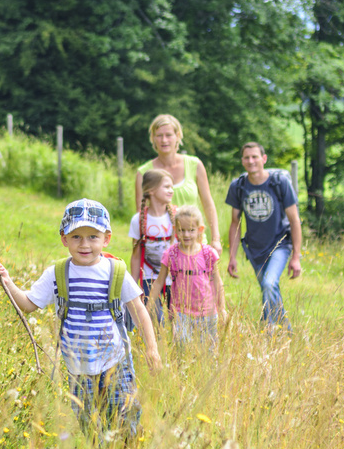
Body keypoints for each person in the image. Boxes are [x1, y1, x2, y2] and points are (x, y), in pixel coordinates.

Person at [0, 199, 161, 440]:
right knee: (89, 426)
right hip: (78, 368)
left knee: (125, 417)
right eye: (76, 237)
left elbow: (140, 312)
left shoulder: (115, 270)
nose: (85, 244)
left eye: (93, 236)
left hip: (115, 361)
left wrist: (152, 349)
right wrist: (6, 281)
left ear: (106, 238)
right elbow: (28, 304)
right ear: (64, 239)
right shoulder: (58, 273)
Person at [225, 142, 302, 330]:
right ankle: (284, 331)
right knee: (269, 289)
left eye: (255, 157)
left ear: (264, 159)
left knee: (269, 283)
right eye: (247, 157)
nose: (251, 161)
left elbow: (294, 220)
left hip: (280, 245)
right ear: (242, 161)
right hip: (255, 249)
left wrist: (296, 257)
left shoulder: (279, 183)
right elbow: (235, 223)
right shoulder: (239, 186)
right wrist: (232, 257)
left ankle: (269, 329)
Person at [135, 114, 222, 255]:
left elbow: (208, 204)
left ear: (177, 136)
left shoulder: (195, 165)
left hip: (196, 242)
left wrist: (216, 238)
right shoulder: (144, 172)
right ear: (153, 138)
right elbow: (141, 213)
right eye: (159, 135)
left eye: (169, 135)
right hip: (162, 246)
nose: (164, 140)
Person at [148, 205, 225, 347]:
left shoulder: (208, 254)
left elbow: (217, 282)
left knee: (208, 351)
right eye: (182, 230)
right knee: (182, 349)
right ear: (176, 230)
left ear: (199, 230)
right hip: (181, 312)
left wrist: (222, 308)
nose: (186, 235)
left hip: (207, 312)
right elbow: (159, 282)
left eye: (191, 230)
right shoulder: (171, 254)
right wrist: (148, 306)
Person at [129, 169, 175, 323]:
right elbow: (136, 255)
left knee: (176, 318)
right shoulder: (139, 220)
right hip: (149, 277)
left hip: (173, 277)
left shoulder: (176, 216)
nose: (171, 190)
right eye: (166, 187)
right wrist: (134, 285)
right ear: (151, 190)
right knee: (154, 318)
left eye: (172, 187)